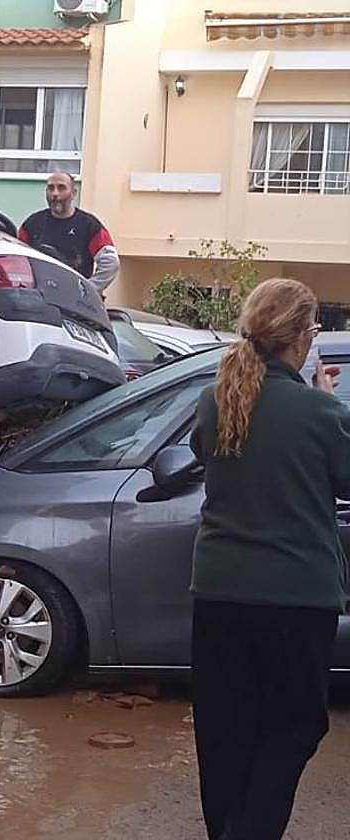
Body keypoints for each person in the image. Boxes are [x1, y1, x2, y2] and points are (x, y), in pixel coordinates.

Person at [189, 277, 350, 840]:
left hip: (218, 593)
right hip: (296, 599)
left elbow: (203, 451)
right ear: (301, 339)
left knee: (224, 730)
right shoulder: (319, 412)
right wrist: (328, 404)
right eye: (313, 329)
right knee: (296, 726)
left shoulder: (216, 400)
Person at [17, 171, 120, 295]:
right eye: (50, 188)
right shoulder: (32, 223)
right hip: (39, 299)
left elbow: (110, 262)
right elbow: (16, 257)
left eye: (61, 188)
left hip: (75, 304)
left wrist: (88, 290)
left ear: (73, 193)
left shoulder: (89, 225)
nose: (55, 193)